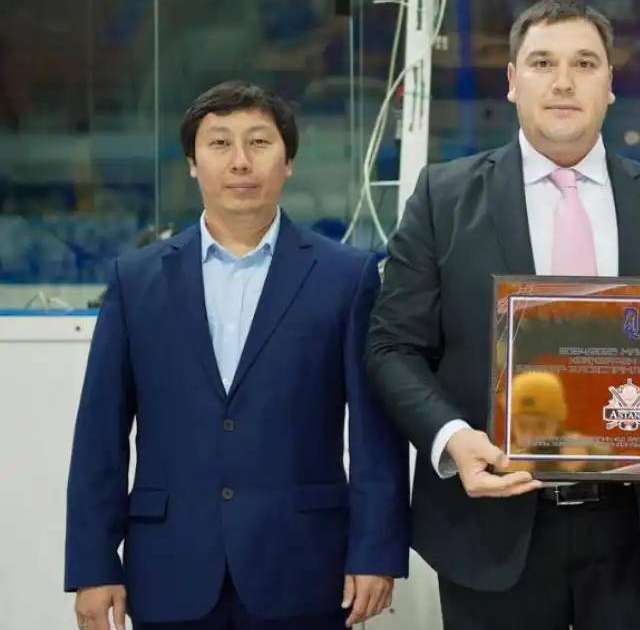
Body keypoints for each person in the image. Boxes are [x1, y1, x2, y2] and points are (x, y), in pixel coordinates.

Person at [365, 2, 640, 628]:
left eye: (584, 64)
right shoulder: (441, 198)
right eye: (542, 63)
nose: (562, 81)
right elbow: (392, 347)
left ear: (611, 84)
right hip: (492, 530)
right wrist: (454, 441)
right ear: (511, 81)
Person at [65, 80, 409, 630]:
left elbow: (374, 431)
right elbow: (100, 435)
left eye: (259, 142)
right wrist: (92, 564)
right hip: (169, 566)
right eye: (220, 143)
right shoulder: (137, 280)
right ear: (192, 164)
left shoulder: (347, 277)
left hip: (303, 565)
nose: (241, 161)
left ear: (288, 161)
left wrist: (376, 552)